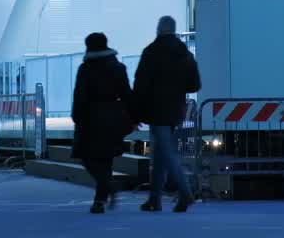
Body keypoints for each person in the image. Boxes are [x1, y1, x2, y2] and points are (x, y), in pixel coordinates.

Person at [132, 16, 200, 213]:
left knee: (167, 154)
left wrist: (135, 112)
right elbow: (194, 84)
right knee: (160, 154)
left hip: (156, 109)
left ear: (159, 29)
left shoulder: (151, 52)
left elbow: (140, 85)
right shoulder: (185, 54)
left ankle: (186, 193)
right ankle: (155, 200)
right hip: (176, 109)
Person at [71, 32, 134, 214]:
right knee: (106, 160)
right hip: (114, 116)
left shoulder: (86, 68)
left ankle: (106, 188)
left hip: (91, 117)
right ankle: (100, 199)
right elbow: (126, 94)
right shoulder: (118, 67)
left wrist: (77, 116)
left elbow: (80, 94)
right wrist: (133, 115)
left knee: (87, 156)